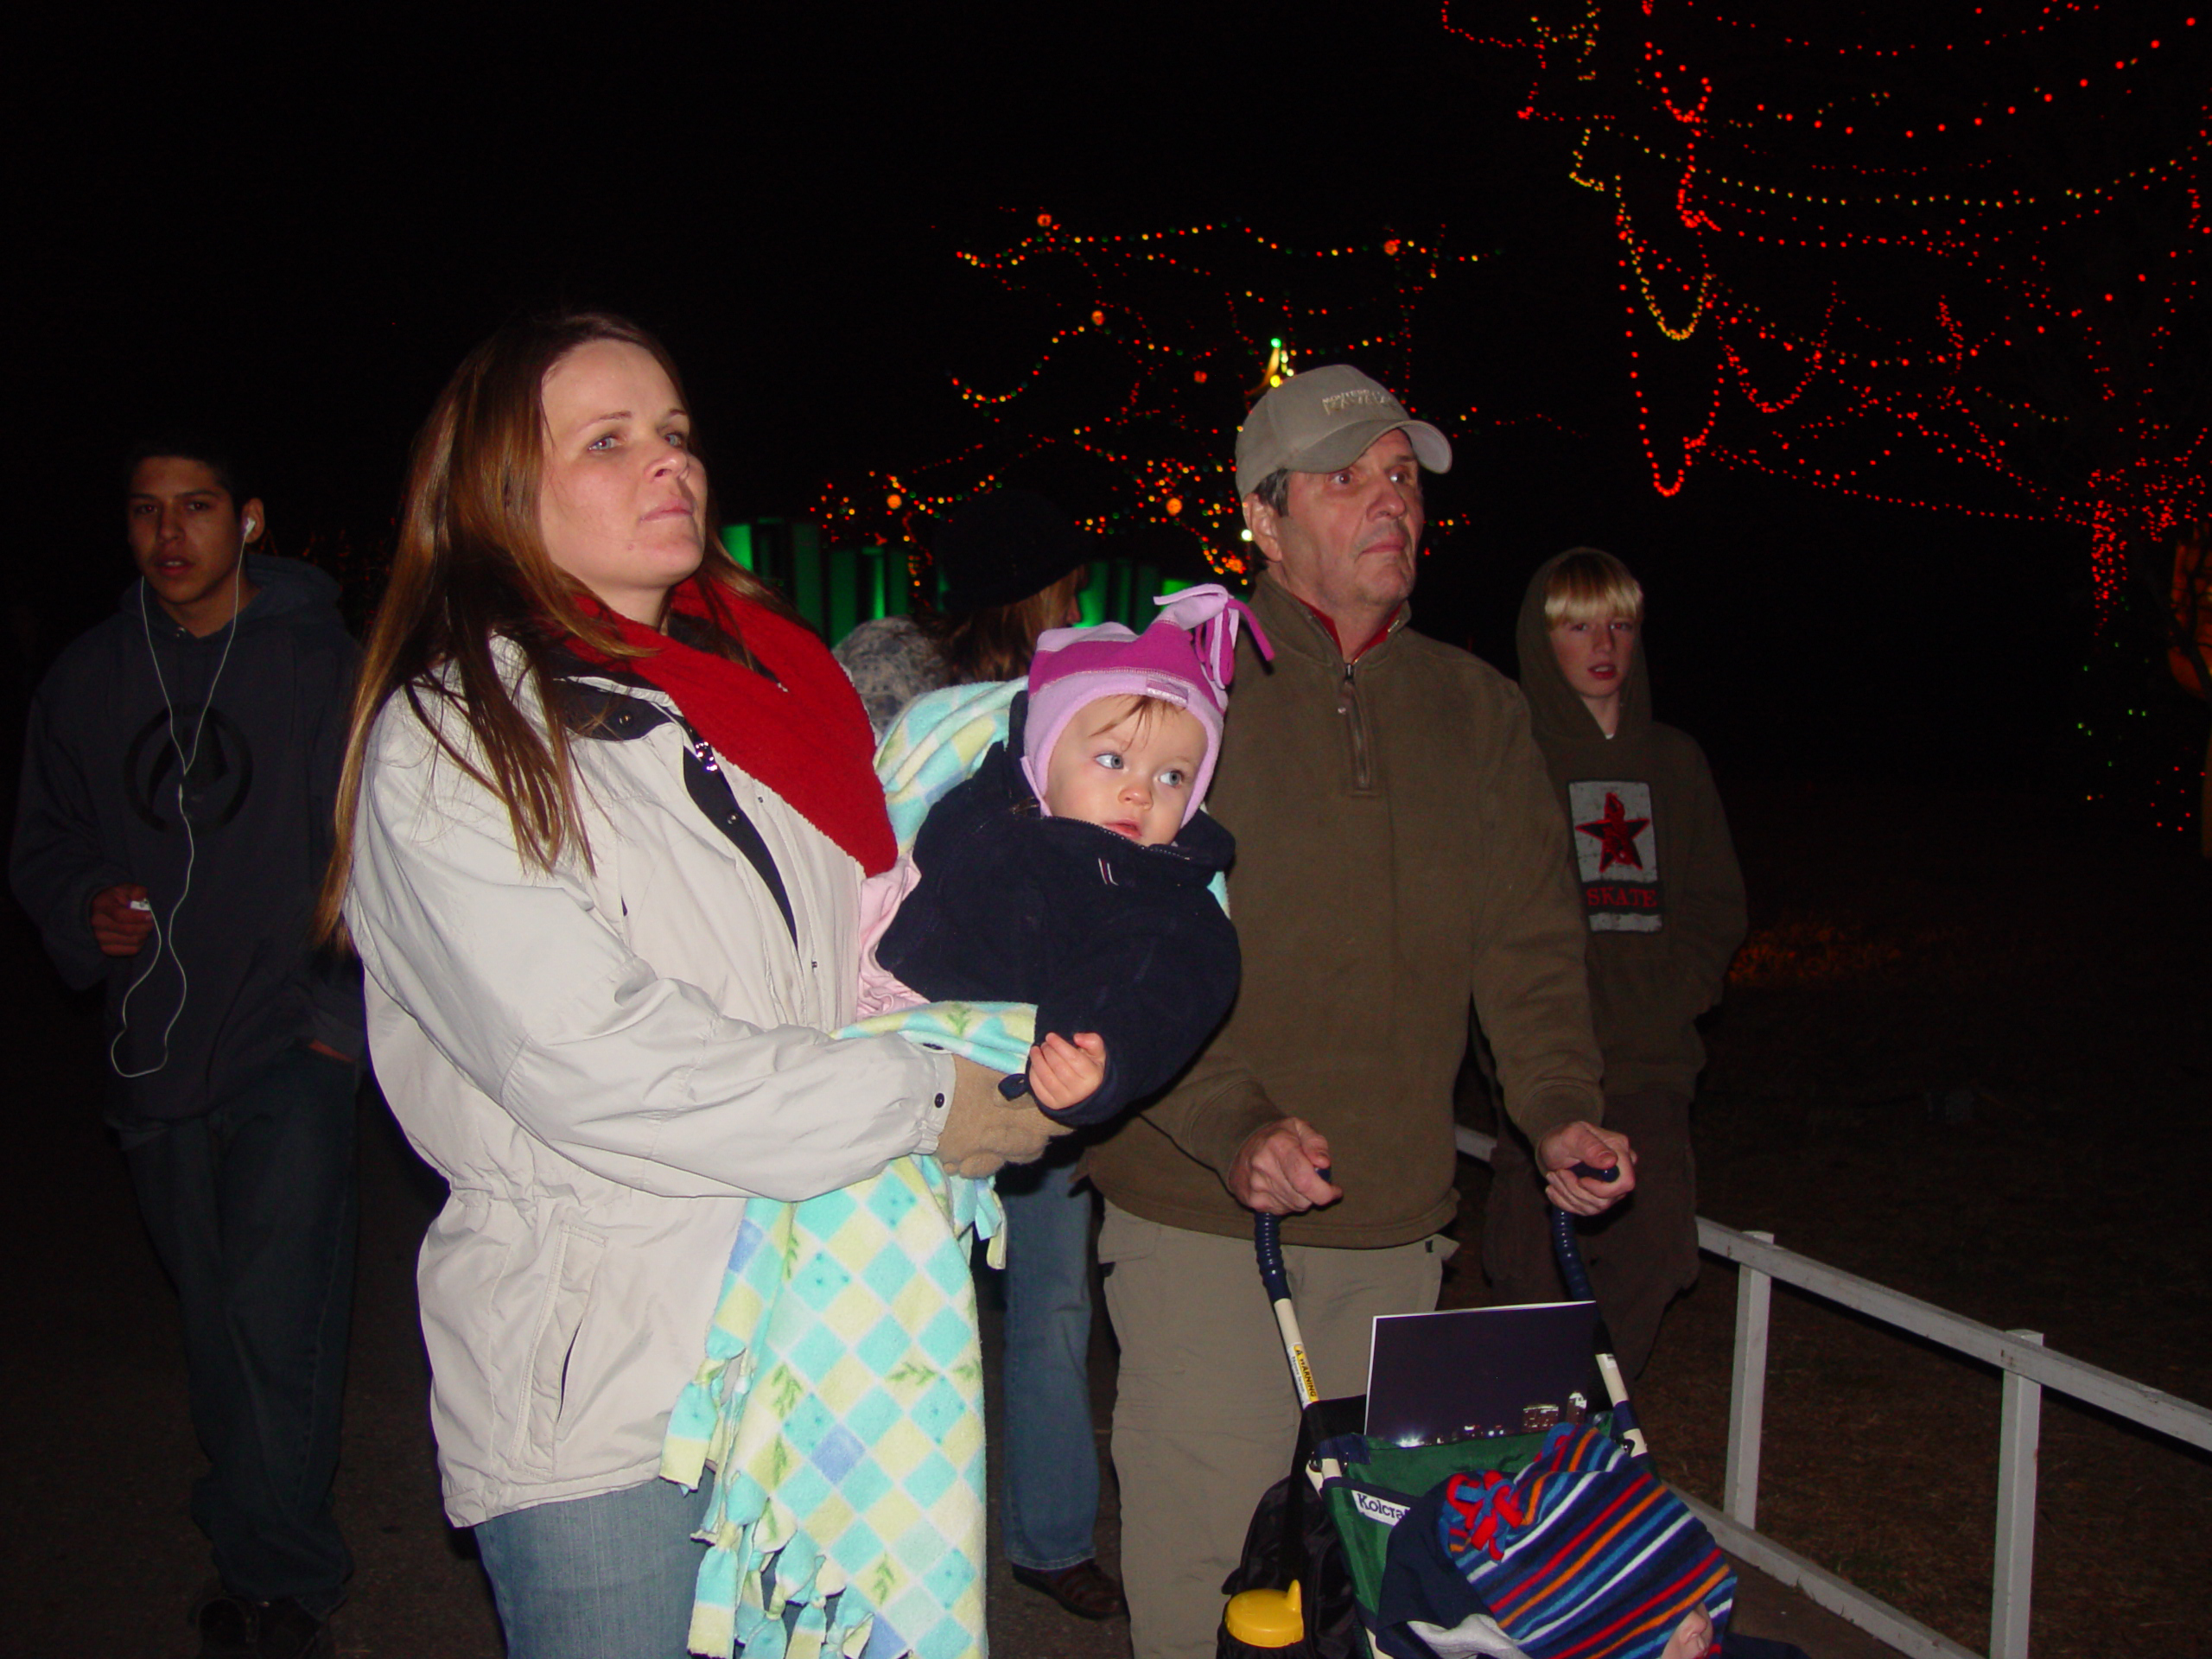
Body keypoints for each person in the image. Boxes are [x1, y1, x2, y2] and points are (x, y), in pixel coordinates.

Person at [316, 312, 1057, 1659]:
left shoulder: (773, 693)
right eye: (608, 441)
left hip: (821, 1344)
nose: (668, 464)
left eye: (675, 434)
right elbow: (591, 1056)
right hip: (614, 1383)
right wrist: (923, 1098)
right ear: (499, 494)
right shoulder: (454, 740)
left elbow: (873, 959)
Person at [1084, 364, 1638, 1659]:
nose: (1390, 502)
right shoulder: (1175, 699)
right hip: (1202, 1217)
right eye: (1347, 480)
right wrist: (1231, 1125)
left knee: (1372, 1594)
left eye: (1402, 477)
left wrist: (1557, 1112)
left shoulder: (1480, 711)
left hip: (1395, 1226)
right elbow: (1108, 948)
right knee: (1213, 1576)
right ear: (1263, 520)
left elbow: (1531, 947)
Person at [10, 438, 365, 1658]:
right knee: (215, 1323)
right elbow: (45, 837)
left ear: (250, 519)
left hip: (288, 1044)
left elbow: (386, 850)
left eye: (199, 507)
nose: (172, 534)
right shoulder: (88, 678)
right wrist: (83, 908)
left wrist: (337, 1029)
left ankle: (283, 1581)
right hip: (153, 1050)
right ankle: (249, 1525)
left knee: (278, 1314)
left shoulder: (325, 666)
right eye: (148, 512)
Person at [834, 487, 1129, 1621]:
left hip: (1036, 1032)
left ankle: (1048, 1533)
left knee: (1052, 1293)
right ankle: (892, 1535)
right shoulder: (887, 673)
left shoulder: (1082, 686)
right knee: (911, 1300)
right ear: (1041, 582)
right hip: (906, 1032)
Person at [1482, 550, 1747, 1381]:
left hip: (1652, 1063)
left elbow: (1715, 904)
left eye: (1621, 625)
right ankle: (1523, 1446)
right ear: (1542, 637)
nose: (1604, 644)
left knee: (1658, 1249)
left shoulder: (1673, 760)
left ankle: (1593, 1425)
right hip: (1543, 1060)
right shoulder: (1511, 756)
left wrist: (1675, 995)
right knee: (1529, 1265)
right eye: (1579, 626)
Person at [870, 586, 1262, 1125]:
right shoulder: (988, 795)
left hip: (951, 1067)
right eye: (1112, 759)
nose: (1140, 793)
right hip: (853, 1000)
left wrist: (1099, 1057)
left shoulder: (1160, 900)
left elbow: (1160, 986)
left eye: (1173, 777)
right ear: (1045, 756)